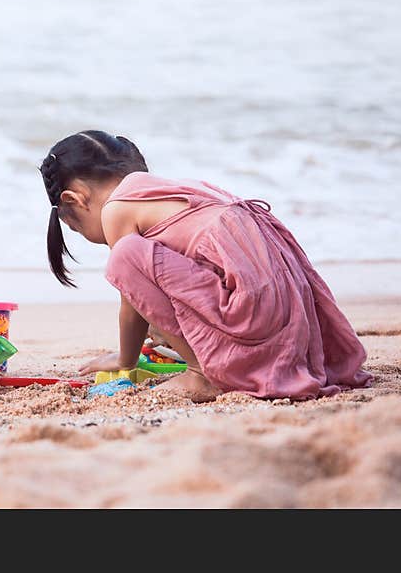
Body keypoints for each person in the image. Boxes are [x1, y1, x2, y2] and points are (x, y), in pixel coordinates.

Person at [39, 130, 372, 402]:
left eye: (76, 228)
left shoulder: (116, 209)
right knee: (135, 262)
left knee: (124, 257)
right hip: (288, 321)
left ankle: (201, 375)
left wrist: (124, 360)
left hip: (255, 318)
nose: (85, 235)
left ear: (74, 199)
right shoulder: (179, 190)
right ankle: (211, 363)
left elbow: (130, 297)